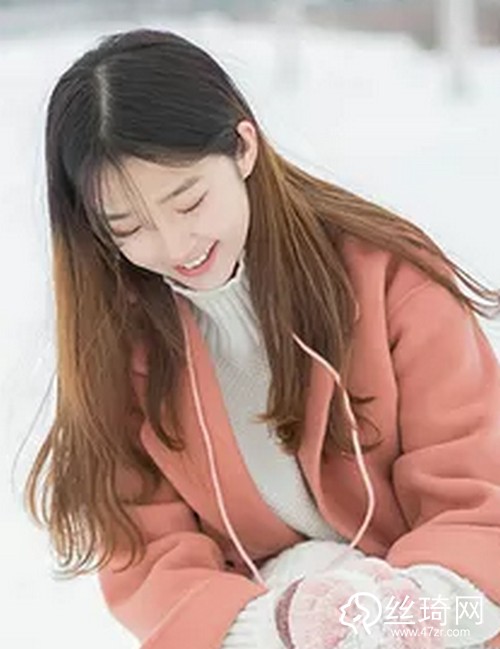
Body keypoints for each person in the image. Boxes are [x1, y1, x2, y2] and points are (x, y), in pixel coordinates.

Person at [23, 27, 500, 649]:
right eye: (129, 227)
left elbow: (480, 508)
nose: (174, 246)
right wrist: (279, 625)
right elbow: (151, 561)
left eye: (189, 202)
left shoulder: (391, 284)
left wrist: (403, 618)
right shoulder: (121, 349)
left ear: (243, 148)